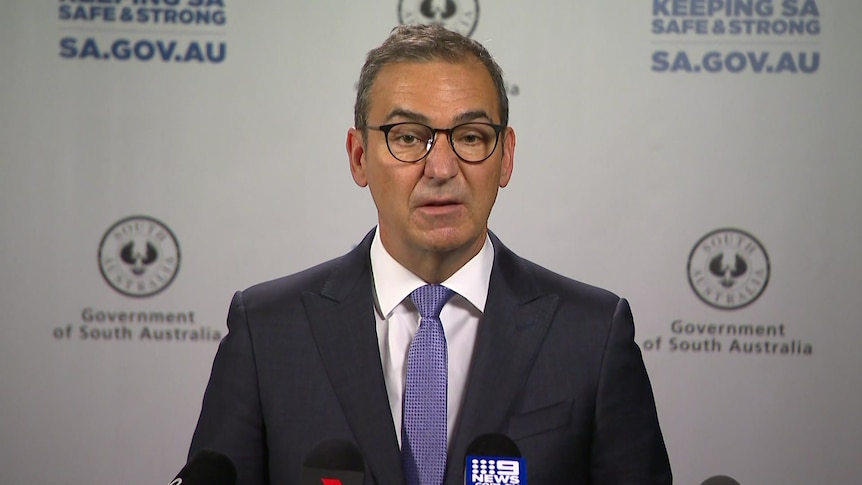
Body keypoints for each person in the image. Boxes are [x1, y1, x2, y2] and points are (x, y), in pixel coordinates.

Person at [189, 24, 672, 484]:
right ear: (358, 156)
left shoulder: (591, 335)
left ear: (505, 157)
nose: (441, 168)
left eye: (470, 137)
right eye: (407, 137)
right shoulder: (268, 331)